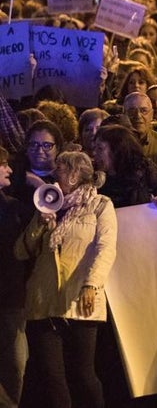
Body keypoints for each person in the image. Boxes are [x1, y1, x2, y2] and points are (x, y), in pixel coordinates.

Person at [16, 150, 117, 408]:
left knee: (83, 375)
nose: (53, 175)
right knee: (52, 377)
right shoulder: (48, 205)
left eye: (59, 170)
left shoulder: (100, 205)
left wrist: (91, 284)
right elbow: (21, 251)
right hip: (43, 302)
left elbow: (106, 248)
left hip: (80, 300)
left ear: (73, 175)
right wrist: (40, 223)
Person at [0, 146, 31, 407]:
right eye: (3, 164)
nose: (9, 169)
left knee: (15, 363)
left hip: (11, 299)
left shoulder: (13, 207)